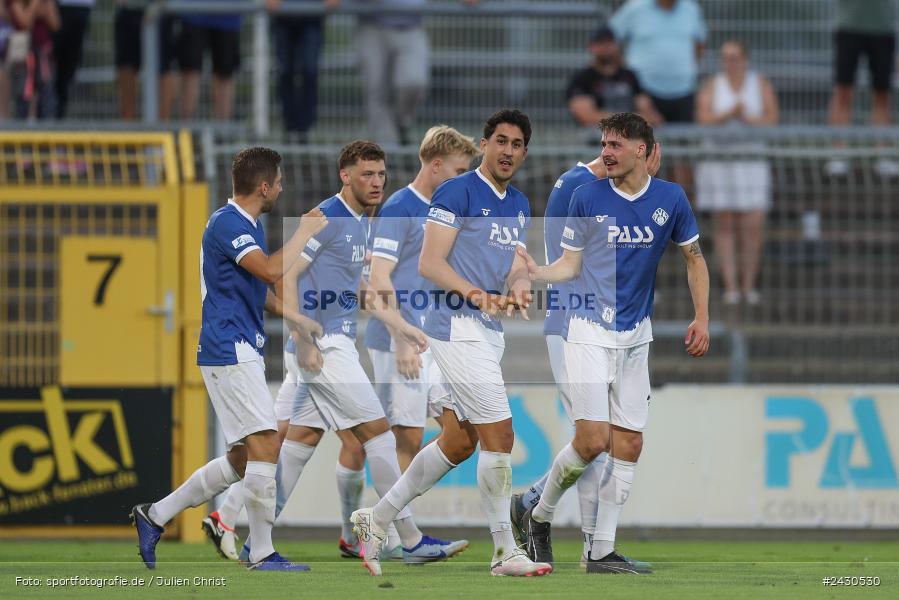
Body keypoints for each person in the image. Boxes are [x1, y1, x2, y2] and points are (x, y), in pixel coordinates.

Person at [236, 140, 467, 570]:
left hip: (326, 346)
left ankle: (254, 542)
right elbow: (286, 277)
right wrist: (303, 339)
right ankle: (411, 539)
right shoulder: (327, 218)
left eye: (381, 174)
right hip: (323, 346)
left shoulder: (361, 222)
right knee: (379, 435)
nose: (377, 182)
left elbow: (361, 289)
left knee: (296, 446)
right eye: (367, 174)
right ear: (346, 176)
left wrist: (400, 326)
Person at [351, 109, 553, 578]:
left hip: (486, 330)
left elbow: (516, 259)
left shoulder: (519, 203)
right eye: (500, 141)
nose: (507, 151)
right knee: (500, 434)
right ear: (484, 144)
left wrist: (520, 282)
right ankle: (505, 551)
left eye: (517, 144)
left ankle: (376, 519)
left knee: (459, 441)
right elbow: (430, 264)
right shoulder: (456, 192)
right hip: (453, 325)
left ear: (525, 151)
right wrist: (481, 295)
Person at [515, 112, 709, 573]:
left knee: (629, 445)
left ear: (643, 150)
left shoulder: (670, 198)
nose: (606, 152)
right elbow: (569, 264)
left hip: (636, 336)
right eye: (603, 143)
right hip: (587, 331)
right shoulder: (586, 195)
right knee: (592, 439)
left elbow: (694, 259)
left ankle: (600, 550)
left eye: (616, 145)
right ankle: (537, 515)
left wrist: (702, 316)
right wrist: (536, 272)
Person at [131, 147, 328, 571]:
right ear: (263, 186)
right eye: (278, 182)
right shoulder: (227, 224)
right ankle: (261, 552)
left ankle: (155, 515)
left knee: (244, 458)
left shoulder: (247, 224)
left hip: (240, 346)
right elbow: (272, 271)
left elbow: (259, 290)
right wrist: (304, 232)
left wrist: (297, 317)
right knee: (266, 445)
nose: (281, 188)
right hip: (228, 347)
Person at [510, 140, 661, 569]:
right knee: (592, 441)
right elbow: (572, 266)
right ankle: (580, 538)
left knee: (603, 441)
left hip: (603, 329)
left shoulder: (585, 186)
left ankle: (575, 533)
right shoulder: (578, 188)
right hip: (575, 326)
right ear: (644, 154)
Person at [365, 125, 480, 472]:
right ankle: (395, 525)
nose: (464, 179)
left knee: (460, 434)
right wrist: (401, 339)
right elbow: (379, 277)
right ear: (435, 165)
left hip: (434, 338)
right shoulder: (401, 206)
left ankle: (386, 517)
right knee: (405, 438)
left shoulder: (449, 211)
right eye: (459, 171)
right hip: (397, 339)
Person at [695, 40, 778, 306]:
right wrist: (730, 114)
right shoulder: (712, 84)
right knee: (726, 224)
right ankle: (731, 286)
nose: (729, 63)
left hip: (751, 162)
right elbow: (703, 118)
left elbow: (771, 118)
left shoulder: (760, 83)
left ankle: (748, 285)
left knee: (753, 223)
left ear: (745, 59)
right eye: (725, 58)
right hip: (721, 162)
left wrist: (746, 119)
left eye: (734, 57)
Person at [358, 0, 478, 145]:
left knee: (414, 82)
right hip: (372, 24)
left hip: (412, 25)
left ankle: (399, 124)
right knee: (376, 89)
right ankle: (387, 149)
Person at [826, 0, 897, 177]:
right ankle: (839, 154)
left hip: (882, 28)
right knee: (843, 91)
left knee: (882, 93)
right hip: (849, 26)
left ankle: (883, 154)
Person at [609, 0, 706, 124]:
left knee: (682, 140)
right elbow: (611, 36)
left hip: (684, 90)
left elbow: (699, 43)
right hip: (643, 92)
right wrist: (624, 71)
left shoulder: (691, 9)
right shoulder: (635, 7)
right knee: (642, 140)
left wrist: (687, 68)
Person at [566, 26, 662, 132]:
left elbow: (651, 115)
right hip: (598, 140)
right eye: (601, 43)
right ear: (591, 47)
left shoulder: (629, 76)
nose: (606, 47)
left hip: (629, 141)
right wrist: (632, 119)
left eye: (610, 42)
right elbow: (587, 117)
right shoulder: (583, 78)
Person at [267, 0, 337, 140]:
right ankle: (290, 128)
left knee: (309, 71)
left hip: (311, 17)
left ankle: (304, 130)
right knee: (285, 72)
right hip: (282, 17)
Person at [113, 0, 179, 120]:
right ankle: (127, 128)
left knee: (164, 69)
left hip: (160, 11)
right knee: (126, 67)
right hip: (129, 10)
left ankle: (162, 127)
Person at [178, 1, 241, 120]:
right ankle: (185, 131)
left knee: (225, 74)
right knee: (190, 71)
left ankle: (222, 133)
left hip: (229, 15)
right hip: (193, 13)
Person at [5, 0, 59, 119]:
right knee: (22, 92)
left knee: (46, 89)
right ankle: (20, 128)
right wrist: (35, 5)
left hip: (42, 50)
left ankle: (48, 127)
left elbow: (55, 24)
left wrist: (36, 10)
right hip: (22, 51)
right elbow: (25, 23)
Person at [52, 0, 93, 118]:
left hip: (82, 7)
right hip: (61, 7)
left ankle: (59, 107)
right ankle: (53, 106)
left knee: (71, 62)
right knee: (56, 59)